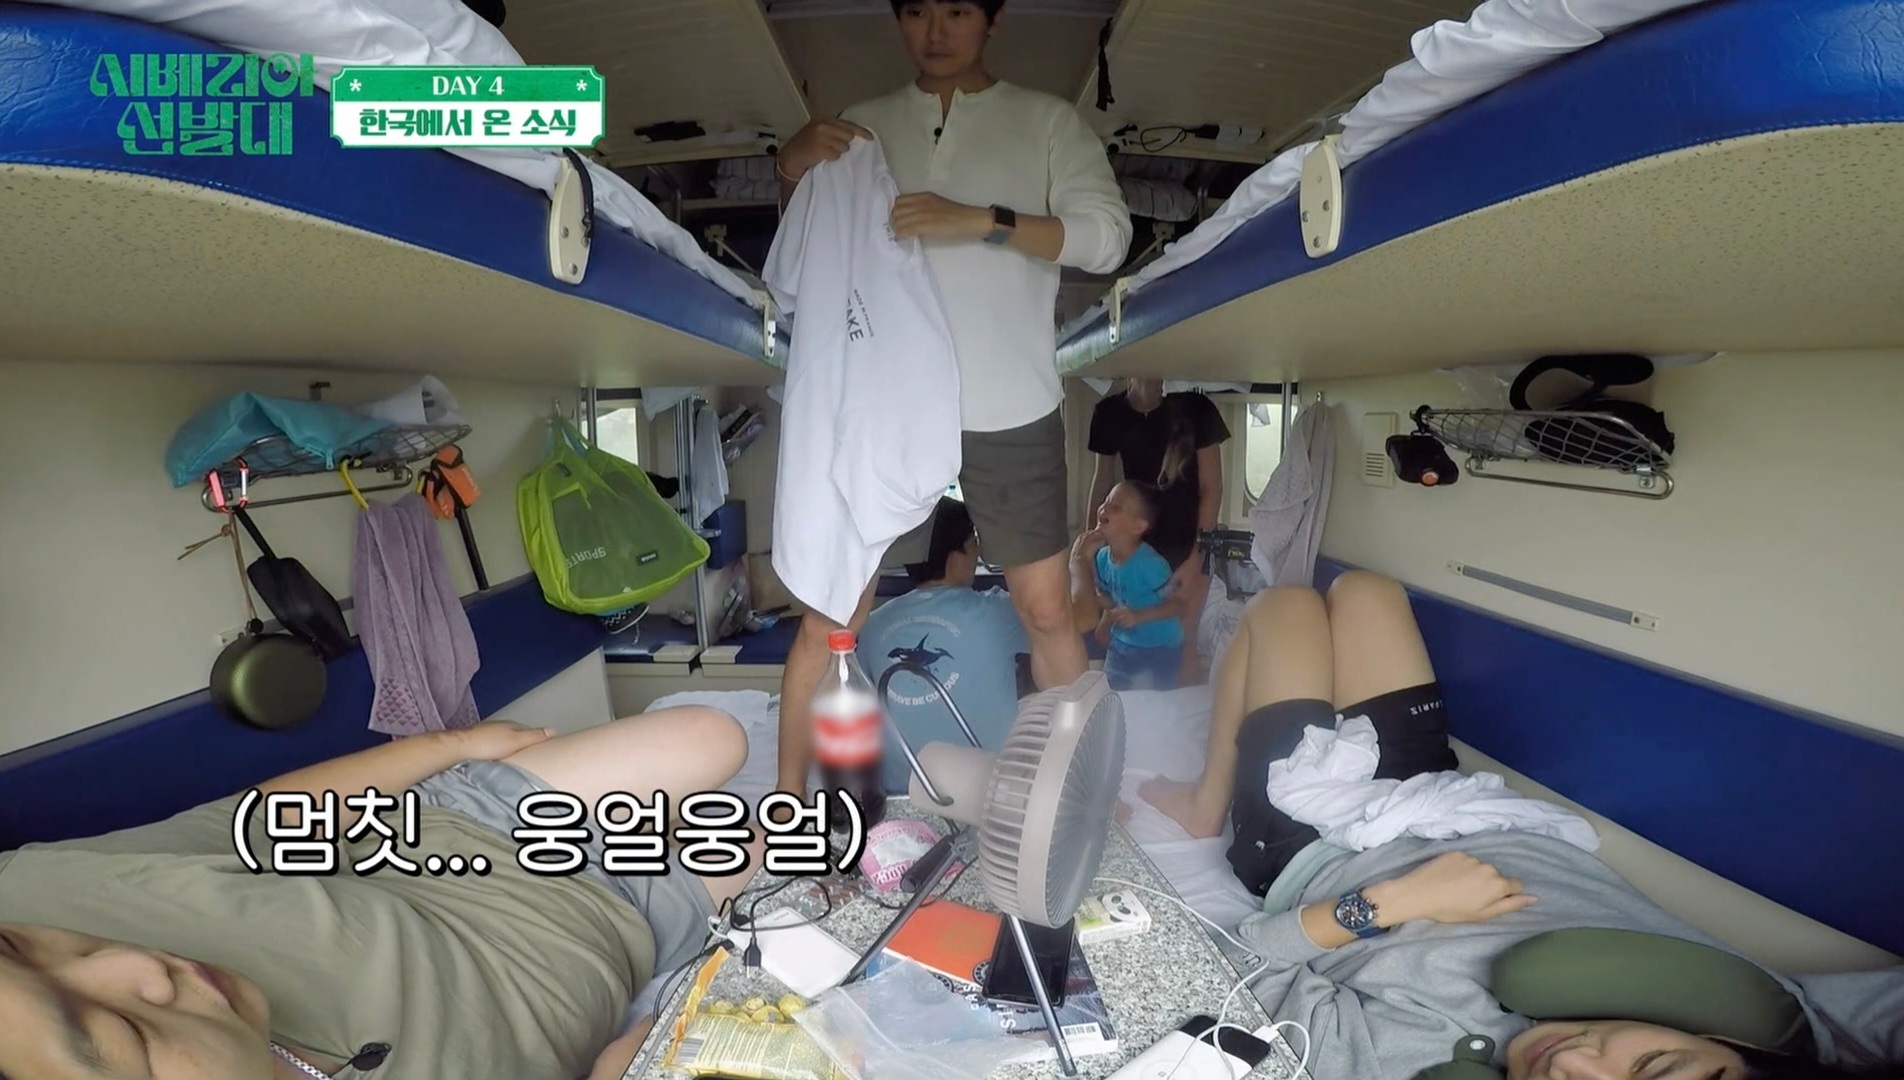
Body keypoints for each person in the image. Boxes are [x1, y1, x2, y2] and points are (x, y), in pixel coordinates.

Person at [1135, 571, 1904, 1080]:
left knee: (1285, 607)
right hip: (1450, 803)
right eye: (1652, 1067)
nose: (1571, 1065)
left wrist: (1388, 905)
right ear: (1734, 1047)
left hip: (1320, 846)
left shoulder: (1402, 1056)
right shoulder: (1776, 1018)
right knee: (1366, 592)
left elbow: (1235, 973)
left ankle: (1208, 800)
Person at [766, 0, 1134, 801]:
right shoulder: (862, 126)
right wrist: (789, 167)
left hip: (1007, 399)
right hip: (882, 406)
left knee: (1046, 611)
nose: (936, 31)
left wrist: (982, 221)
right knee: (831, 618)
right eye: (917, 12)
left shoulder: (1047, 121)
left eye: (959, 11)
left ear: (991, 20)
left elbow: (1108, 239)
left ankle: (1083, 801)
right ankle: (787, 809)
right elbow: (810, 241)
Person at [0, 706, 765, 1080]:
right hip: (620, 933)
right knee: (803, 860)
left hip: (466, 835)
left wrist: (454, 744)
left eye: (16, 948)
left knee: (710, 736)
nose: (136, 963)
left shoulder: (29, 886)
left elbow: (258, 819)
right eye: (120, 1039)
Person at [856, 496, 1031, 794]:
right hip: (986, 794)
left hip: (900, 794)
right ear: (955, 559)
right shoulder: (997, 612)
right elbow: (1072, 619)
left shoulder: (871, 625)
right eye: (973, 544)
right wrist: (1080, 562)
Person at [1086, 380, 1232, 685]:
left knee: (1183, 649)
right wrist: (1092, 548)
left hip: (1189, 543)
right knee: (1126, 639)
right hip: (1134, 545)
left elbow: (1212, 488)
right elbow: (1102, 482)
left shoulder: (1196, 408)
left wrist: (1197, 557)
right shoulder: (1110, 412)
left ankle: (1177, 709)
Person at [1070, 481, 1188, 692]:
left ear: (1138, 526)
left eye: (1115, 507)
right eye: (1105, 502)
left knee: (1152, 701)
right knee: (1112, 696)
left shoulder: (1151, 565)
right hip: (1122, 643)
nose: (1104, 509)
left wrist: (1138, 615)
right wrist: (1084, 564)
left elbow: (1179, 605)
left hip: (1159, 648)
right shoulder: (1102, 558)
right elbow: (1108, 596)